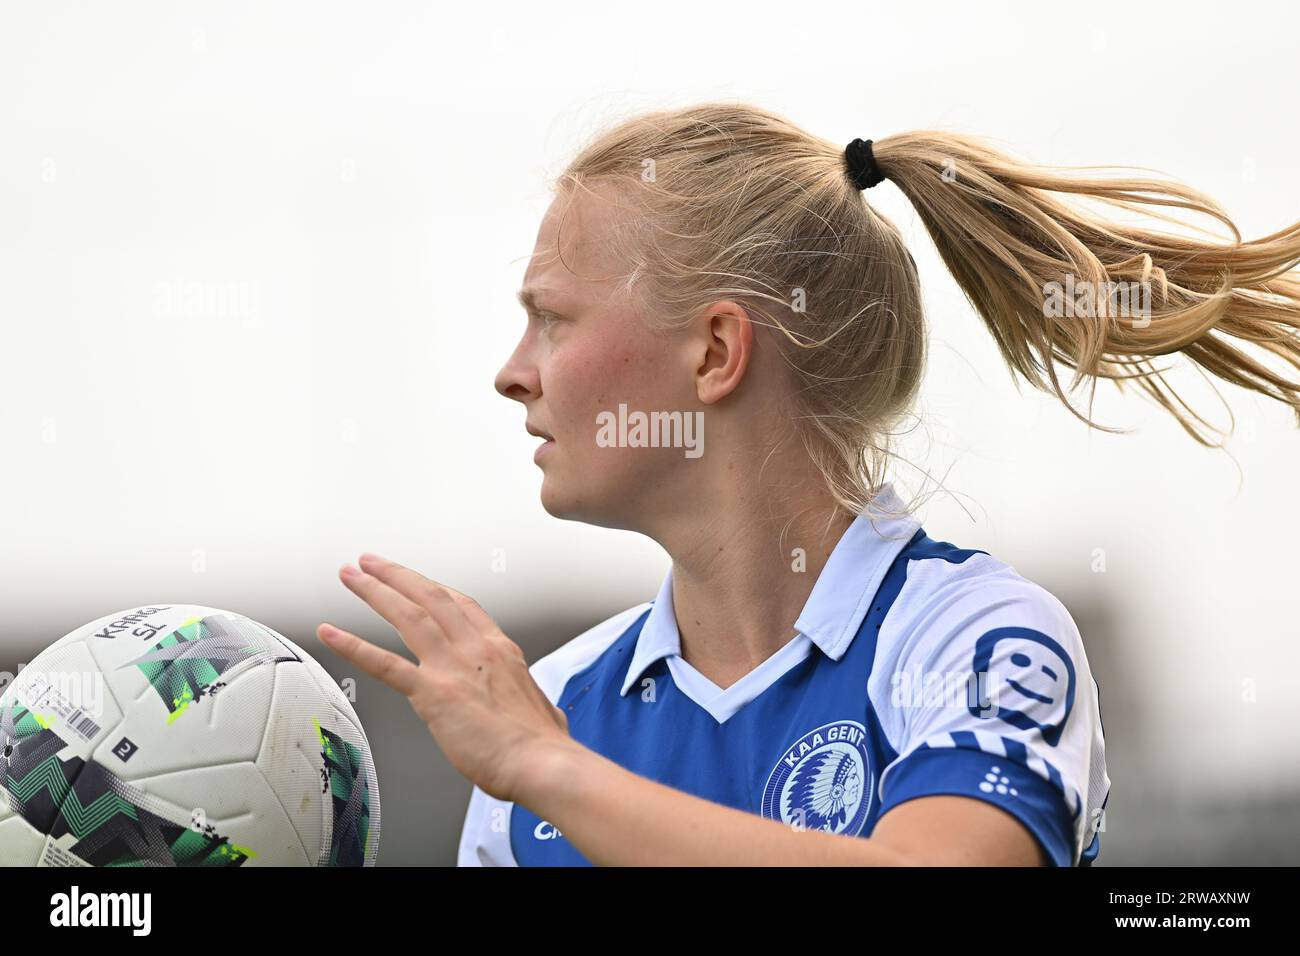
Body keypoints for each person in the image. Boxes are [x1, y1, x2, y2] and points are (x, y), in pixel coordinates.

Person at [316, 102, 1300, 866]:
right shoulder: (556, 708)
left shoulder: (973, 636)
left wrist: (548, 768)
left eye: (554, 318)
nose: (512, 370)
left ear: (714, 350)